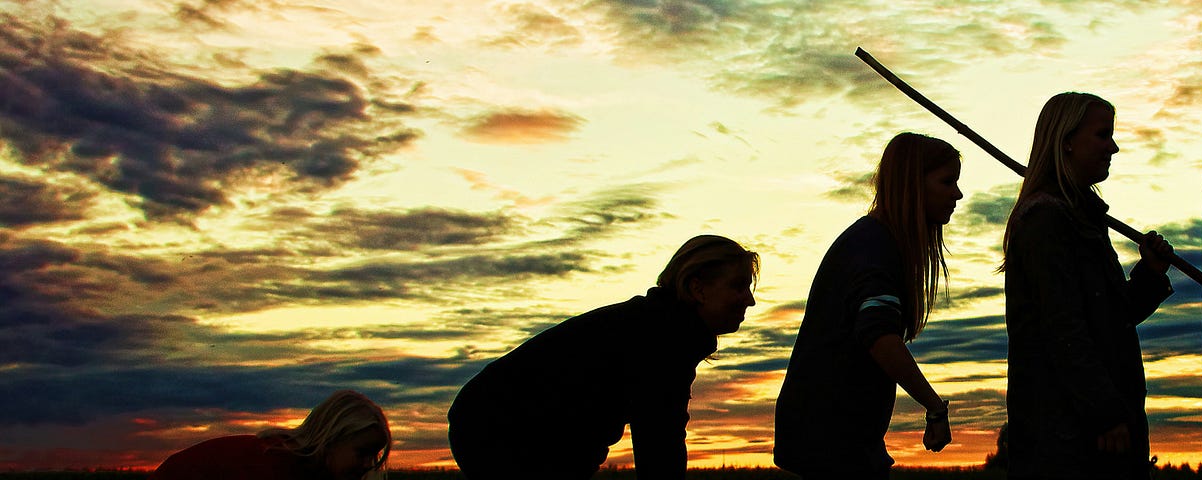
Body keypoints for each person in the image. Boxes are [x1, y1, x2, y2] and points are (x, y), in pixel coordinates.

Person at [447, 235, 759, 480]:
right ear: (698, 289)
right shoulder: (661, 337)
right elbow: (660, 443)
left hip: (499, 427)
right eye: (738, 286)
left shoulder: (661, 325)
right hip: (499, 430)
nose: (751, 300)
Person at [1001, 92, 1175, 480]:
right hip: (1069, 439)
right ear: (1066, 139)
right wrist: (1105, 412)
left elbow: (1110, 318)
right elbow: (1063, 330)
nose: (1113, 146)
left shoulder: (1081, 217)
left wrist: (1150, 273)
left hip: (1089, 430)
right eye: (1102, 135)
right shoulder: (1046, 220)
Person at [772, 132, 962, 479]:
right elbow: (879, 336)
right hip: (830, 436)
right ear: (912, 185)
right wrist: (935, 407)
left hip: (837, 433)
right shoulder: (874, 248)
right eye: (947, 181)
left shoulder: (874, 242)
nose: (957, 194)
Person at [151, 389, 391, 480]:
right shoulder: (275, 466)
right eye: (362, 453)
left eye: (375, 454)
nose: (367, 464)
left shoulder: (306, 468)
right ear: (330, 440)